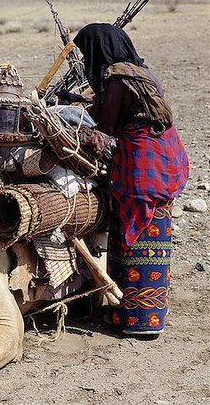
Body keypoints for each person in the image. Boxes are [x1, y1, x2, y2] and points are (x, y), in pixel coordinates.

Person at [72, 23, 189, 337]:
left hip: (141, 162)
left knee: (130, 232)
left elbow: (107, 127)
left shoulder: (117, 78)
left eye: (86, 51)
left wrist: (78, 121)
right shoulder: (141, 72)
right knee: (156, 234)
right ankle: (152, 316)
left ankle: (131, 318)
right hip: (166, 155)